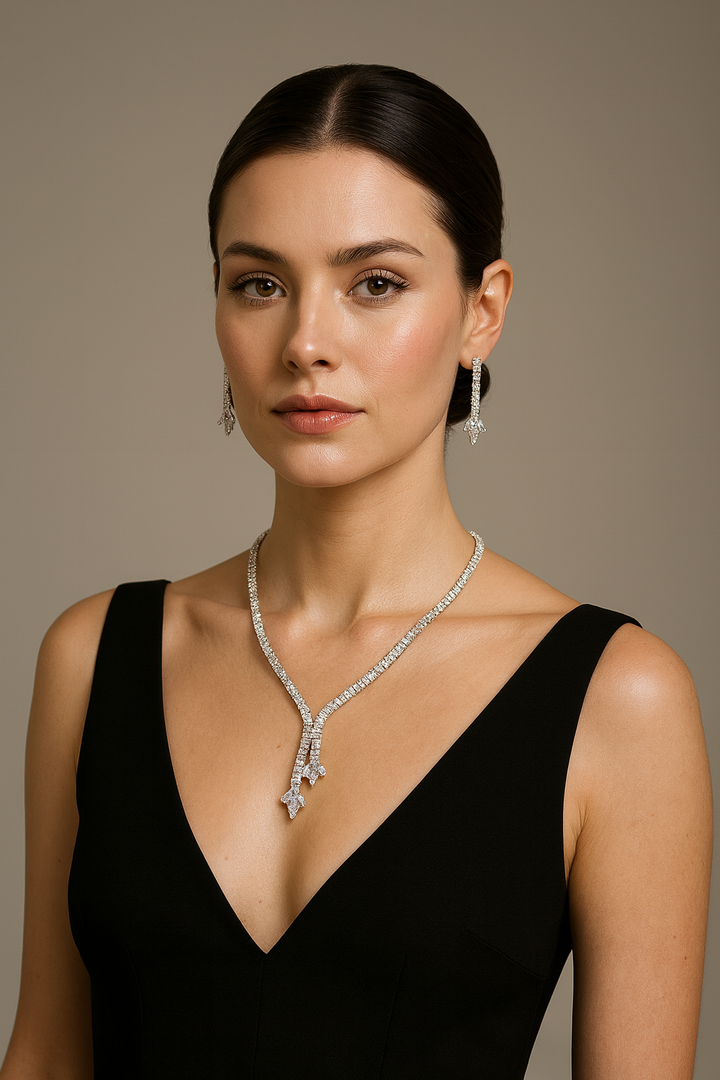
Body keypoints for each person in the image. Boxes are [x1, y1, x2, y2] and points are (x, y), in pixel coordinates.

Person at [1, 64, 712, 1079]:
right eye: (260, 284)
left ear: (482, 310)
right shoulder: (92, 657)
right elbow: (44, 1055)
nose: (306, 342)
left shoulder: (618, 699)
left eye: (375, 284)